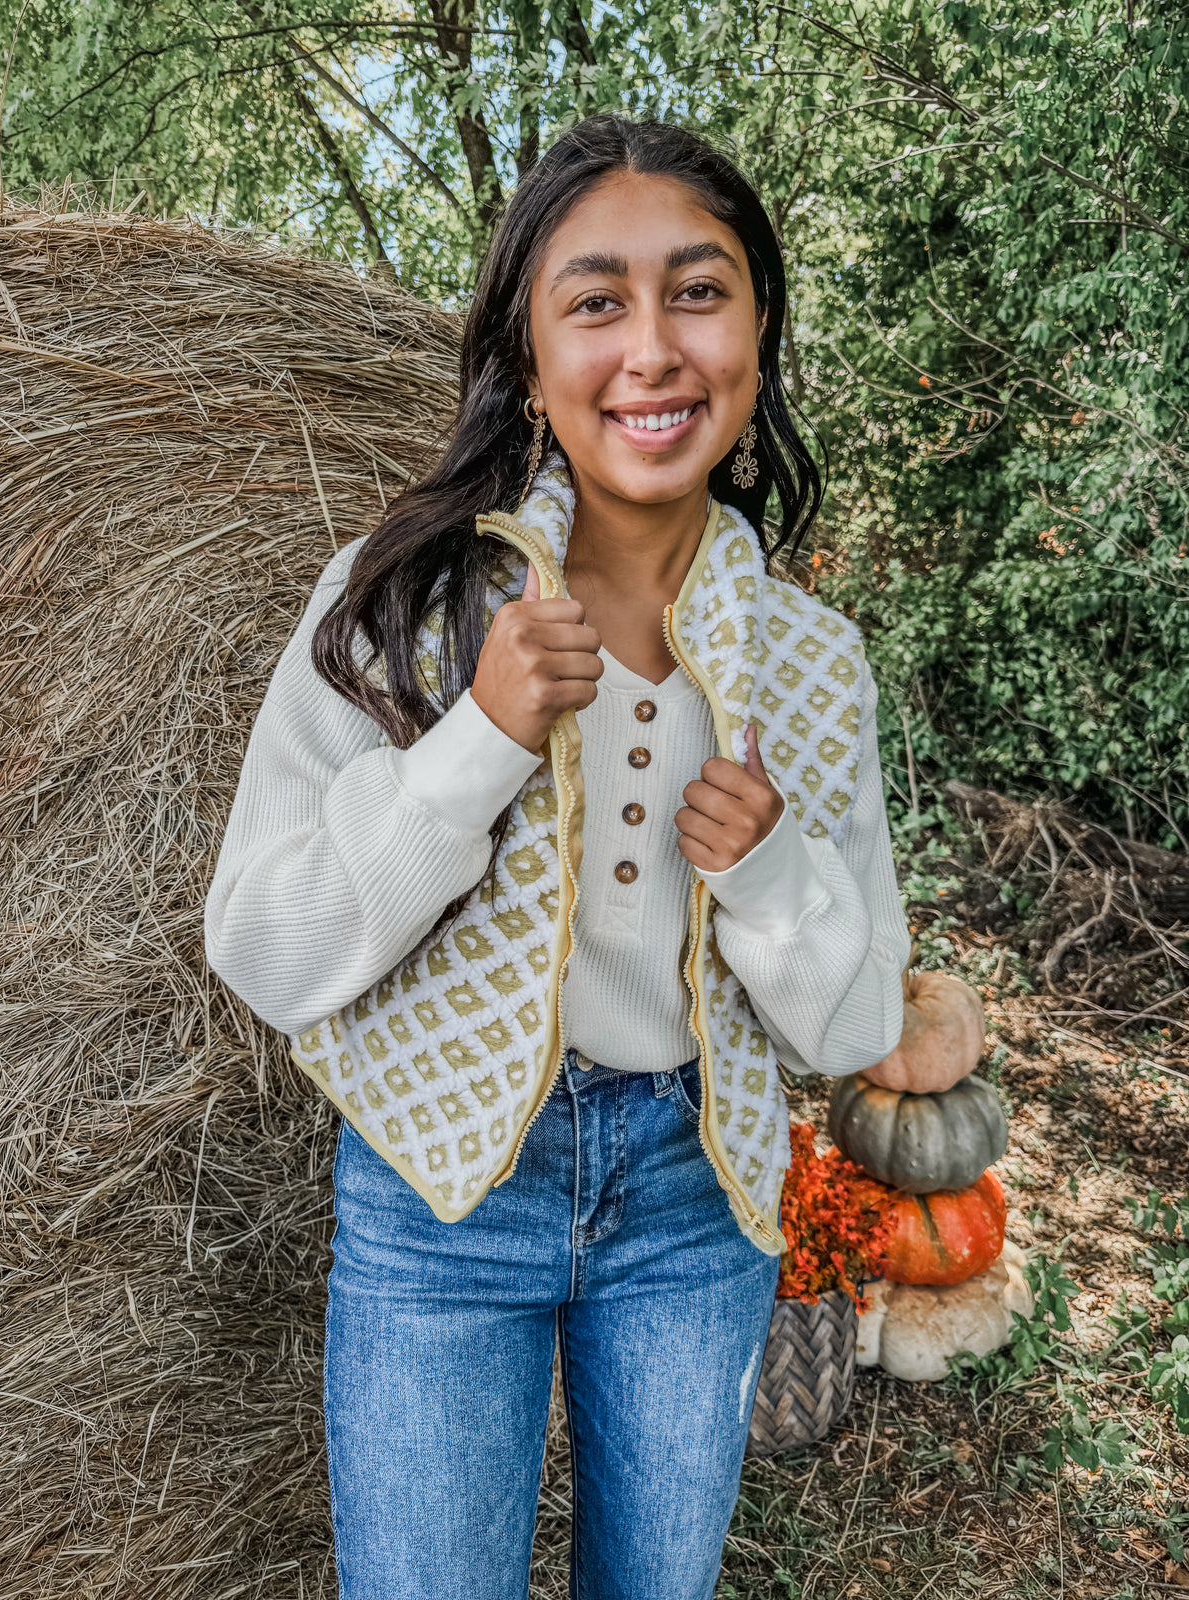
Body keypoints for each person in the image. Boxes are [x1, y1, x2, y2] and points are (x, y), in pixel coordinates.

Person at [205, 114, 919, 1600]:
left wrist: (774, 879)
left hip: (692, 1205)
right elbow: (264, 948)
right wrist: (475, 742)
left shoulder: (811, 661)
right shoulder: (399, 604)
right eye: (595, 302)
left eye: (699, 290)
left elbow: (854, 1030)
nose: (652, 349)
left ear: (760, 333)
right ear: (531, 362)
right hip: (442, 1197)